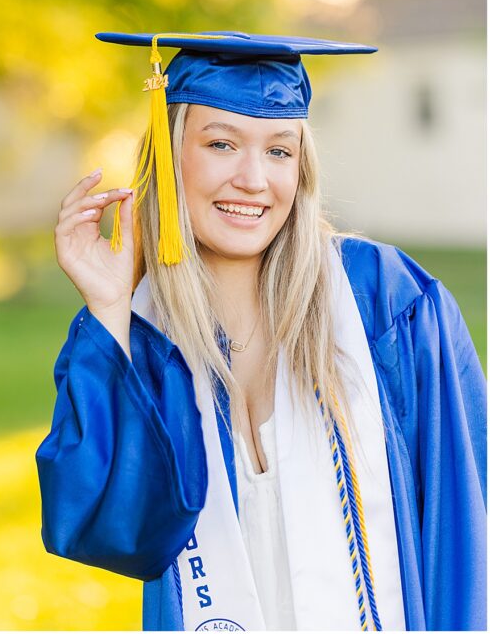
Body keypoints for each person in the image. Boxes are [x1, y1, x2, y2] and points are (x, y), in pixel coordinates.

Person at [37, 32, 486, 630]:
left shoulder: (387, 304)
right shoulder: (140, 335)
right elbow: (106, 531)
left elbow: (467, 524)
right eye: (222, 144)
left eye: (279, 151)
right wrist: (109, 307)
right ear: (170, 158)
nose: (254, 179)